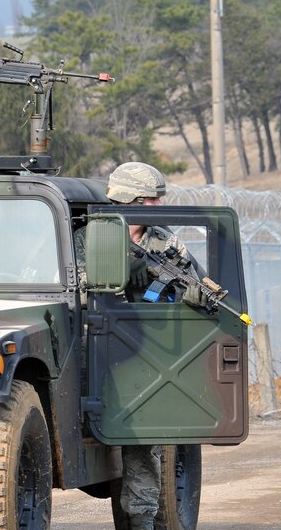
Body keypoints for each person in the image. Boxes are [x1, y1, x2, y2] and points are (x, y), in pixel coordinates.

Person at [104, 161, 206, 530]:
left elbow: (193, 282)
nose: (158, 205)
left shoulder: (166, 242)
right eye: (151, 200)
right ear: (128, 199)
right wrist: (117, 273)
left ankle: (142, 519)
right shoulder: (93, 235)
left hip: (146, 351)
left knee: (144, 438)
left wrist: (193, 294)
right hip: (100, 343)